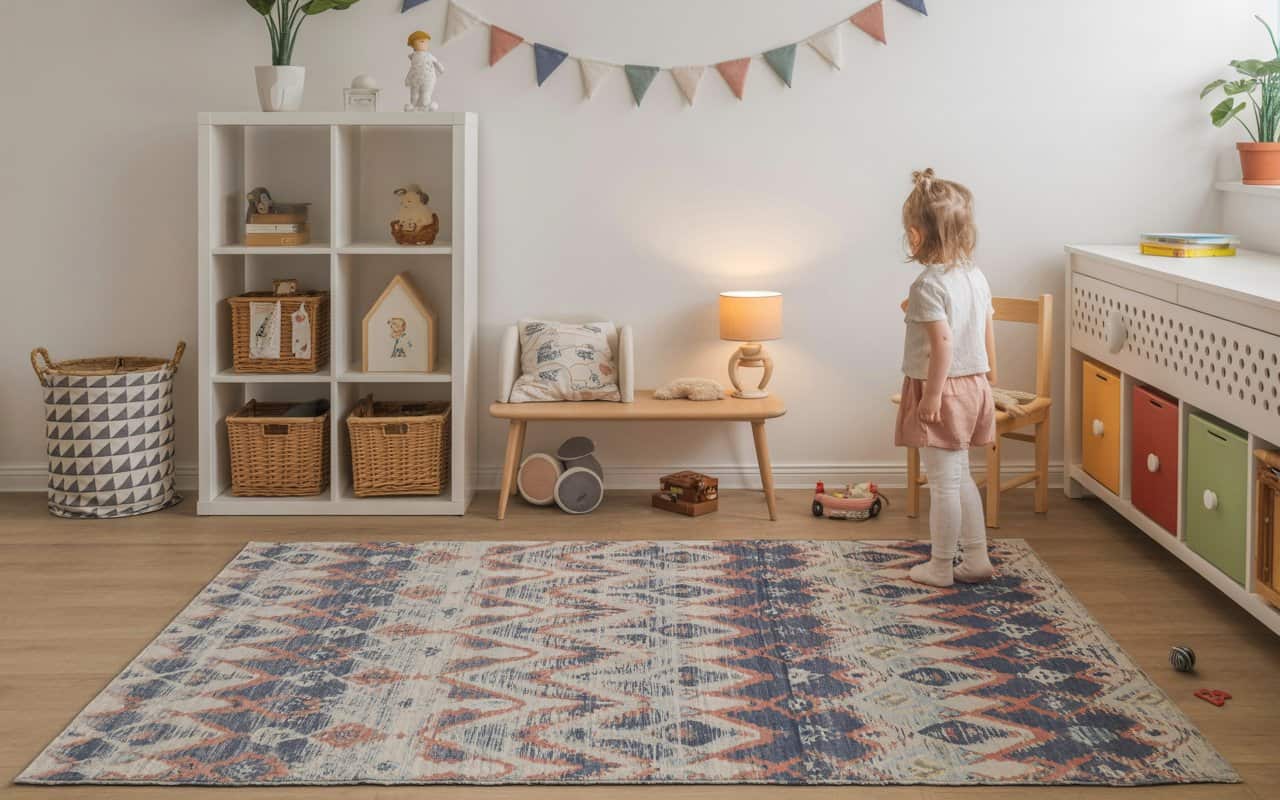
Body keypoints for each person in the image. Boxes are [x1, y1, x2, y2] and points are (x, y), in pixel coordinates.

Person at [894, 168, 997, 588]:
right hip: (975, 384)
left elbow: (943, 345)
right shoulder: (975, 276)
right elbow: (986, 329)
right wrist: (992, 380)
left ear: (916, 235)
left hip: (943, 388)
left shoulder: (927, 285)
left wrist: (932, 396)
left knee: (942, 483)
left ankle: (940, 565)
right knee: (961, 477)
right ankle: (976, 558)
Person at [405, 30, 444, 112]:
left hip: (428, 78)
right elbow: (412, 68)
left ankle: (426, 106)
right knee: (414, 94)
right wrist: (408, 78)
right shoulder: (413, 56)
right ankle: (413, 105)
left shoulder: (429, 55)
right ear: (412, 45)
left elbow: (436, 63)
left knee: (425, 94)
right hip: (415, 78)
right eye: (422, 42)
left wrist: (440, 68)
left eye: (427, 42)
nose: (426, 44)